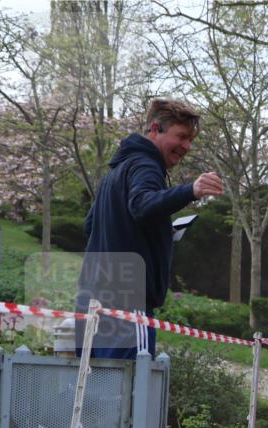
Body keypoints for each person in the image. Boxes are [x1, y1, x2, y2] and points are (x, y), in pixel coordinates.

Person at [78, 98, 223, 358]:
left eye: (190, 140)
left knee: (95, 390)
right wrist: (191, 190)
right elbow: (142, 205)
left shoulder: (116, 172)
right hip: (128, 303)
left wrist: (153, 234)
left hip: (94, 300)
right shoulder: (146, 165)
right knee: (131, 389)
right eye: (181, 136)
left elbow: (91, 225)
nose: (187, 146)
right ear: (155, 129)